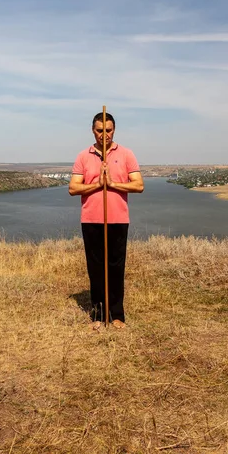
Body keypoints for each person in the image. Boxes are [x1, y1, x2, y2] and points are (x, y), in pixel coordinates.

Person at [69, 112, 144, 330]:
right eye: (100, 130)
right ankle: (99, 315)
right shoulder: (84, 156)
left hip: (118, 219)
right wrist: (96, 184)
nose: (104, 135)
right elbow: (73, 188)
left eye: (108, 130)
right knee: (95, 267)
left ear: (114, 130)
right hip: (91, 219)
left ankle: (117, 314)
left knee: (116, 266)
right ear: (93, 131)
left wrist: (111, 183)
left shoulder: (126, 154)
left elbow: (138, 185)